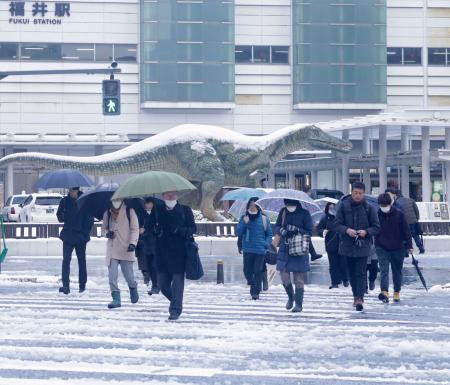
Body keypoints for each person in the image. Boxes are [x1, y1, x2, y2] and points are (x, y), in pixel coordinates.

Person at [335, 182, 380, 311]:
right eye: (355, 193)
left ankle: (359, 297)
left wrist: (366, 232)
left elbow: (376, 227)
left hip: (363, 245)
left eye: (360, 193)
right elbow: (337, 225)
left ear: (364, 193)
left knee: (360, 272)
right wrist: (347, 230)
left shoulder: (369, 208)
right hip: (347, 245)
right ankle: (355, 295)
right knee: (351, 273)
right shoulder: (343, 206)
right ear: (352, 192)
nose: (358, 195)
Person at [155, 191, 196, 321]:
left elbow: (192, 229)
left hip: (179, 253)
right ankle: (176, 302)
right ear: (163, 196)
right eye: (167, 195)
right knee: (163, 285)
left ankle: (175, 310)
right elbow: (149, 227)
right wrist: (155, 230)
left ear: (177, 196)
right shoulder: (158, 210)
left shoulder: (185, 210)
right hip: (162, 253)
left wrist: (179, 230)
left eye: (173, 195)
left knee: (178, 285)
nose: (170, 197)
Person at [275, 199, 313, 313]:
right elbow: (276, 226)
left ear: (296, 203)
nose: (289, 206)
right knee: (284, 276)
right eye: (287, 204)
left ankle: (298, 304)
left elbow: (309, 231)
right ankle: (290, 297)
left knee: (299, 278)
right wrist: (282, 230)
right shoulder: (283, 212)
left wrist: (297, 230)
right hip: (285, 248)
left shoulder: (304, 213)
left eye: (291, 204)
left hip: (299, 248)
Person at [102, 199, 140, 309]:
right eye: (114, 199)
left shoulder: (130, 211)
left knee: (128, 275)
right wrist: (107, 233)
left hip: (126, 248)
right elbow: (104, 228)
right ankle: (116, 298)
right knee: (112, 276)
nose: (116, 201)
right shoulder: (107, 213)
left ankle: (133, 287)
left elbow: (135, 229)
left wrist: (133, 243)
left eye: (118, 199)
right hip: (112, 248)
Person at [376, 193, 413, 303]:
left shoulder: (399, 214)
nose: (384, 207)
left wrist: (409, 245)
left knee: (397, 271)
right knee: (384, 270)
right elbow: (373, 228)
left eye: (386, 204)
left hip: (398, 247)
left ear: (391, 203)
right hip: (381, 247)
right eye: (382, 205)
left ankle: (396, 291)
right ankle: (384, 292)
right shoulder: (376, 215)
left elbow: (406, 231)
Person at [56, 187, 94, 295]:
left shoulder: (84, 200)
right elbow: (59, 216)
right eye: (70, 190)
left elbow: (90, 219)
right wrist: (63, 216)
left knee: (82, 261)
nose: (71, 192)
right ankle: (66, 286)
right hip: (68, 235)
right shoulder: (64, 201)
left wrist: (85, 233)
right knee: (66, 260)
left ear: (77, 190)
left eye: (73, 190)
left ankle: (82, 285)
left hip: (81, 236)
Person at [237, 198, 273, 300]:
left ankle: (255, 292)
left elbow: (269, 234)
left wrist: (266, 244)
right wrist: (245, 223)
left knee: (257, 270)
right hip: (248, 249)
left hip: (260, 250)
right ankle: (255, 284)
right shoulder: (244, 217)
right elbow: (239, 233)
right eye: (250, 205)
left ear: (258, 207)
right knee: (247, 270)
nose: (252, 207)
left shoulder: (264, 219)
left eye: (255, 205)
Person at [317, 201, 349, 289]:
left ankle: (345, 279)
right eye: (330, 207)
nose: (332, 209)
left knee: (343, 263)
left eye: (334, 207)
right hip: (330, 244)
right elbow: (319, 228)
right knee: (333, 264)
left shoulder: (343, 218)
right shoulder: (325, 218)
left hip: (342, 244)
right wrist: (323, 232)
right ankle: (335, 282)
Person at [386, 188, 425, 254]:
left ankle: (406, 251)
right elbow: (416, 210)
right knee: (415, 235)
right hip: (413, 221)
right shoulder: (410, 200)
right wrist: (416, 219)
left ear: (395, 195)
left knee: (405, 236)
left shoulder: (397, 203)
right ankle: (421, 248)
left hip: (405, 222)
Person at [142, 197, 160, 295]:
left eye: (149, 203)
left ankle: (156, 286)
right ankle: (155, 284)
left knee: (154, 266)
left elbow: (158, 229)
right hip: (146, 244)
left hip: (156, 245)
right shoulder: (142, 214)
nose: (147, 205)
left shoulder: (157, 214)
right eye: (146, 203)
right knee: (149, 266)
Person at [303, 185, 323, 261]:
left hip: (305, 222)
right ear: (309, 191)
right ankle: (312, 254)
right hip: (306, 222)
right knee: (307, 238)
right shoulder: (306, 200)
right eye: (310, 191)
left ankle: (313, 254)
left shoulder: (303, 199)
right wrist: (313, 222)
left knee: (307, 238)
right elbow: (309, 213)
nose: (311, 193)